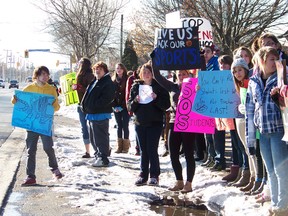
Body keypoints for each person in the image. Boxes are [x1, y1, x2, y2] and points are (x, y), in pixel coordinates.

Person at [246, 46, 288, 215]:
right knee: (270, 170)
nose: (275, 62)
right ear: (262, 61)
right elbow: (250, 109)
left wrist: (281, 95)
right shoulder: (254, 81)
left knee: (281, 170)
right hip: (262, 132)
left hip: (279, 129)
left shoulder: (282, 77)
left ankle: (282, 205)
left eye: (277, 59)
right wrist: (250, 138)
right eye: (272, 59)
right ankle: (276, 201)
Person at [12, 66, 62, 186]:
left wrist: (53, 105)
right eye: (43, 74)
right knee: (31, 150)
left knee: (48, 147)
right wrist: (14, 98)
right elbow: (18, 102)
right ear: (37, 75)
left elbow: (57, 107)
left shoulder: (51, 89)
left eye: (47, 74)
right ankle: (30, 176)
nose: (46, 77)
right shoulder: (29, 88)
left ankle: (55, 169)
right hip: (31, 124)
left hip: (44, 124)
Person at [152, 64, 199, 193]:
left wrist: (200, 59)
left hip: (188, 123)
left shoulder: (195, 85)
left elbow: (205, 77)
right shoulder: (172, 87)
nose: (181, 76)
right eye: (179, 74)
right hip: (173, 121)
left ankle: (189, 183)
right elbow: (157, 75)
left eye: (184, 74)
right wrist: (154, 60)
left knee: (189, 154)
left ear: (189, 75)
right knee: (173, 153)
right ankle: (179, 181)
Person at [127, 63, 170, 186]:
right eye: (144, 72)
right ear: (140, 74)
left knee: (152, 149)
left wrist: (156, 98)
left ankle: (154, 175)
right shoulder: (136, 86)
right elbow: (130, 106)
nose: (146, 74)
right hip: (140, 122)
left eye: (148, 72)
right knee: (143, 150)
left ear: (153, 74)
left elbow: (166, 105)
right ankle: (143, 174)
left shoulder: (159, 86)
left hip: (155, 122)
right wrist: (135, 100)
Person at [81, 61, 115, 167]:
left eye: (100, 69)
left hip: (100, 115)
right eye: (96, 69)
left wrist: (92, 106)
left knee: (100, 138)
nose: (97, 71)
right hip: (91, 114)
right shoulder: (95, 81)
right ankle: (97, 155)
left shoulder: (107, 82)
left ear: (105, 70)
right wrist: (84, 106)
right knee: (93, 138)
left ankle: (103, 158)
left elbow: (106, 99)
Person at [72, 57, 95, 158]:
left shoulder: (90, 76)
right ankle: (87, 151)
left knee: (92, 127)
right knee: (84, 128)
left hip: (89, 105)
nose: (78, 65)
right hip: (80, 104)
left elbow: (92, 91)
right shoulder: (78, 75)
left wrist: (80, 88)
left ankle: (100, 148)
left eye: (80, 63)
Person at [112, 63, 130, 154]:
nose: (118, 70)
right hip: (116, 107)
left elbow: (128, 94)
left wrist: (123, 106)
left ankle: (126, 146)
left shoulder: (127, 79)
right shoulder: (113, 80)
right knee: (119, 125)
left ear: (123, 69)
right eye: (117, 68)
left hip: (125, 106)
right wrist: (114, 106)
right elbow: (111, 95)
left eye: (120, 68)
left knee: (125, 125)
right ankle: (119, 146)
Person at [125, 68, 141, 155]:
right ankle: (138, 148)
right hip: (135, 109)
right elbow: (128, 94)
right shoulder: (132, 79)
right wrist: (129, 108)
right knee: (137, 128)